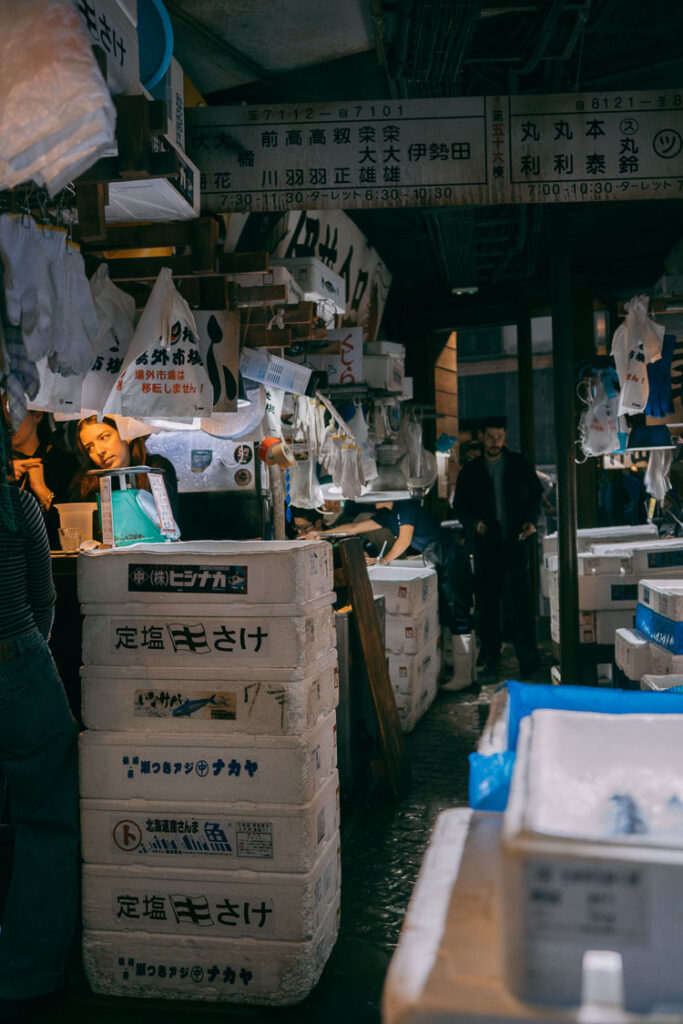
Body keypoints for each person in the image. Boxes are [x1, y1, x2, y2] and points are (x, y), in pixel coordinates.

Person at [0, 416, 79, 1020]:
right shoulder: (16, 502)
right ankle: (27, 975)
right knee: (47, 821)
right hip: (19, 663)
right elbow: (44, 597)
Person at [453, 416, 543, 677]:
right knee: (486, 605)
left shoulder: (519, 465)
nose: (495, 442)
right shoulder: (470, 472)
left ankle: (528, 659)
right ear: (482, 437)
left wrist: (530, 520)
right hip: (486, 546)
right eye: (491, 437)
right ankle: (490, 654)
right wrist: (475, 523)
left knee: (520, 605)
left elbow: (536, 495)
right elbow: (460, 507)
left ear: (505, 438)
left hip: (515, 543)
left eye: (500, 437)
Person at [310, 498, 473, 634]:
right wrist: (321, 534)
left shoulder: (405, 505)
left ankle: (464, 667)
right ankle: (459, 664)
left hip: (449, 555)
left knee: (457, 608)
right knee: (449, 610)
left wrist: (383, 560)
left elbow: (404, 540)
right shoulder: (388, 516)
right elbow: (354, 528)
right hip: (437, 555)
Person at [69, 415, 180, 522]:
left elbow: (162, 522)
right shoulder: (85, 481)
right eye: (90, 447)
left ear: (125, 435)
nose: (99, 451)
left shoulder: (155, 467)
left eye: (104, 437)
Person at [7, 408, 79, 549]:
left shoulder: (64, 463)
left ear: (37, 416)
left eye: (13, 412)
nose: (8, 422)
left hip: (53, 561)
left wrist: (42, 490)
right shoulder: (3, 467)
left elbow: (75, 528)